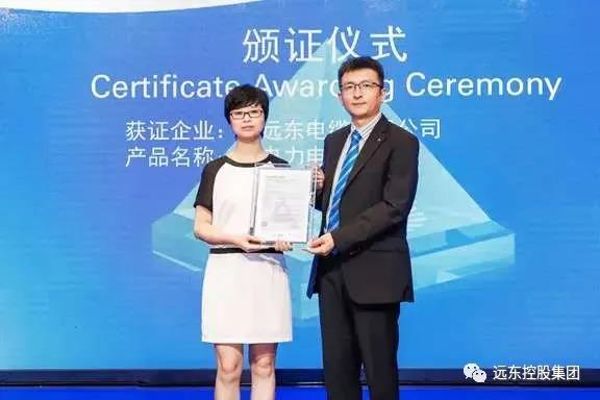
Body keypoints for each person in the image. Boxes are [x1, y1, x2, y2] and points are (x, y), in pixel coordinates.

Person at [306, 56, 420, 400]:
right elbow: (339, 203)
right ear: (339, 95)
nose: (357, 93)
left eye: (366, 86)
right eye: (349, 87)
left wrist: (337, 238)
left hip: (376, 272)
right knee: (337, 372)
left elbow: (394, 207)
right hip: (331, 271)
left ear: (382, 92)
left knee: (379, 372)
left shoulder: (401, 141)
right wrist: (315, 191)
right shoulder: (334, 141)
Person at [193, 84, 292, 400]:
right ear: (229, 120)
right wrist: (235, 238)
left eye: (254, 112)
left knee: (264, 365)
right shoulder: (215, 169)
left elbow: (290, 223)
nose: (247, 119)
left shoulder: (281, 168)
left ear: (265, 117)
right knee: (229, 367)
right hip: (227, 271)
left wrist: (286, 239)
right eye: (239, 113)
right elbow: (201, 227)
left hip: (267, 270)